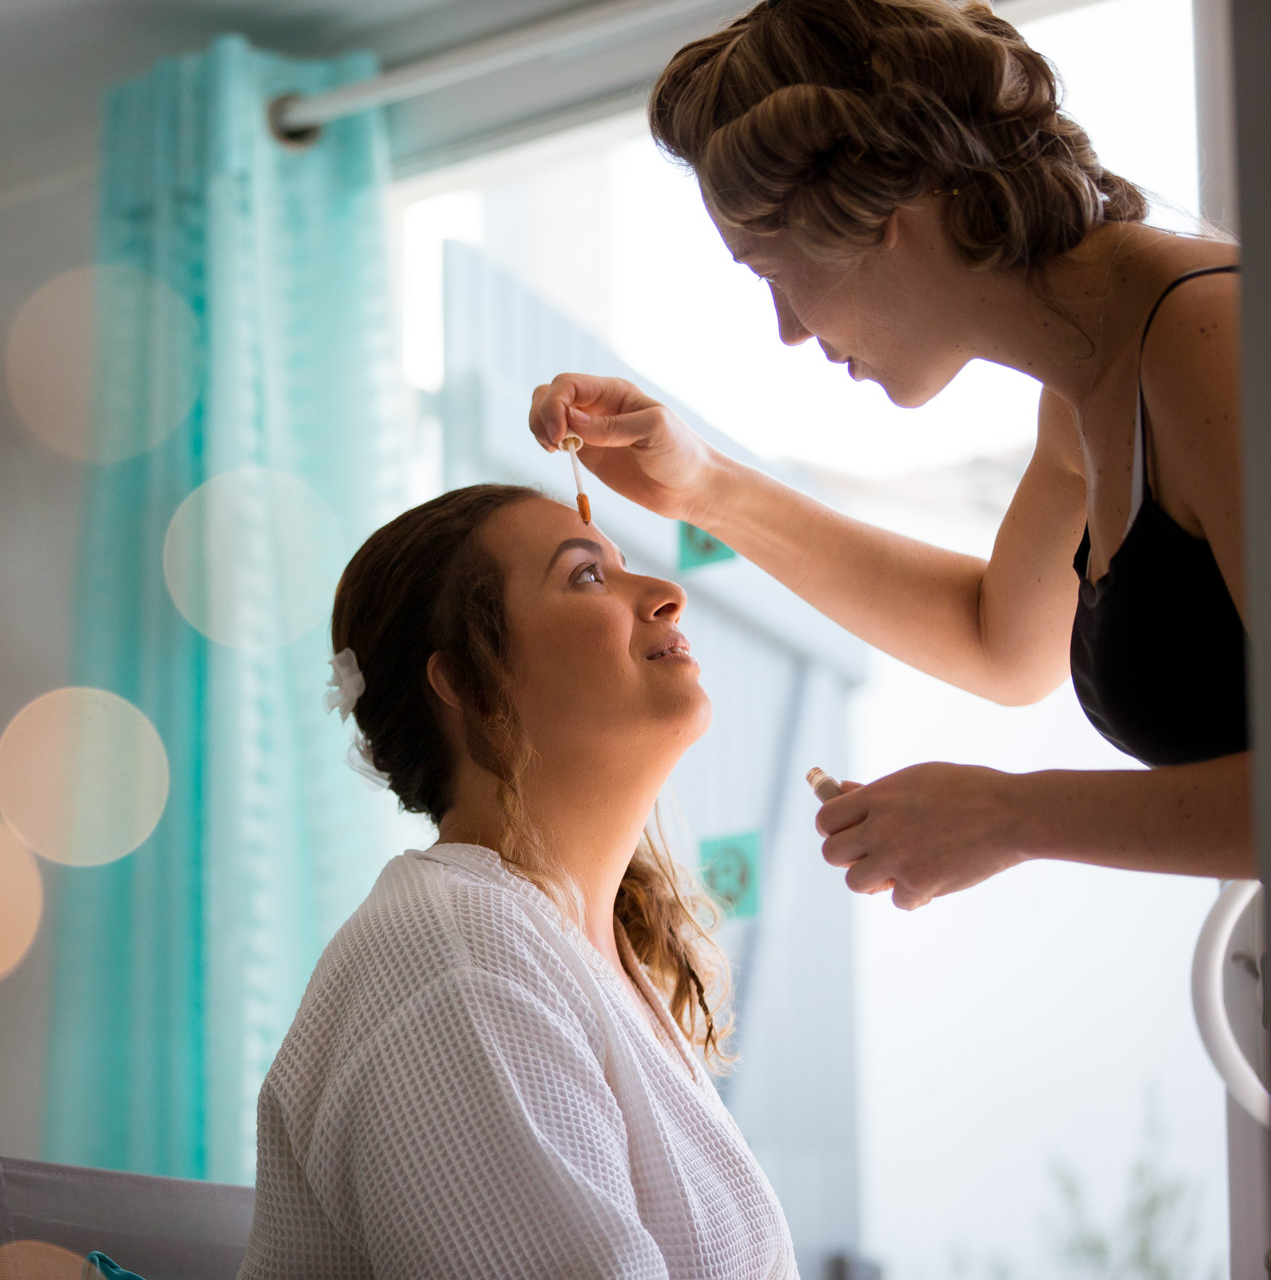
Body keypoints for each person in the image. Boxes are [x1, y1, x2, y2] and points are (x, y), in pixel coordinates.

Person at [528, 0, 1251, 910]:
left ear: (882, 216)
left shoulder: (1205, 339)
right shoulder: (1094, 391)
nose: (789, 329)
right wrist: (706, 490)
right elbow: (1001, 642)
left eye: (773, 272)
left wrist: (1010, 817)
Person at [238, 485, 796, 1280]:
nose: (668, 595)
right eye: (587, 577)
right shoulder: (453, 956)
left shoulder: (565, 957)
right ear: (466, 681)